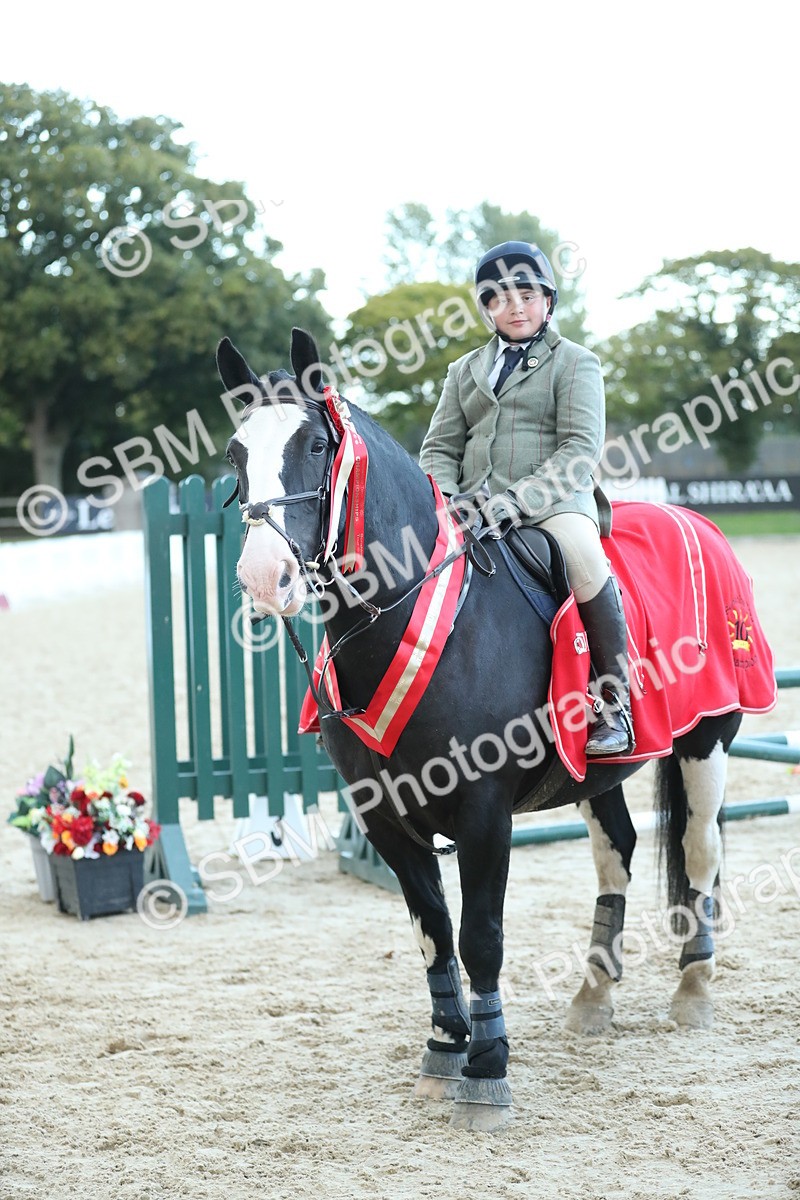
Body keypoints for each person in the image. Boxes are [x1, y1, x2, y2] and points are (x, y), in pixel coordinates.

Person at [418, 240, 635, 755]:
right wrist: (445, 498)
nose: (515, 306)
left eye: (528, 294)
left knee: (584, 559)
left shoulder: (576, 363)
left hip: (555, 505)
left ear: (548, 301)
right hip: (471, 508)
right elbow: (439, 447)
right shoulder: (463, 370)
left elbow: (580, 450)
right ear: (487, 308)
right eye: (500, 297)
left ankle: (613, 702)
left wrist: (515, 501)